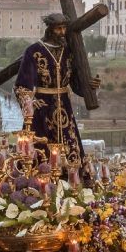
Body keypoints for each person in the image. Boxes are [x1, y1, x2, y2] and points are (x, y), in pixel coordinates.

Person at [14, 13, 100, 174]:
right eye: (58, 29)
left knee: (70, 146)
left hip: (64, 107)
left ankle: (72, 183)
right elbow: (22, 84)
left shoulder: (69, 51)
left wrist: (90, 86)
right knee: (41, 148)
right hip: (42, 107)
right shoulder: (33, 51)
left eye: (64, 28)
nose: (62, 32)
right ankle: (40, 183)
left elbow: (75, 83)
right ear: (50, 30)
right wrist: (29, 102)